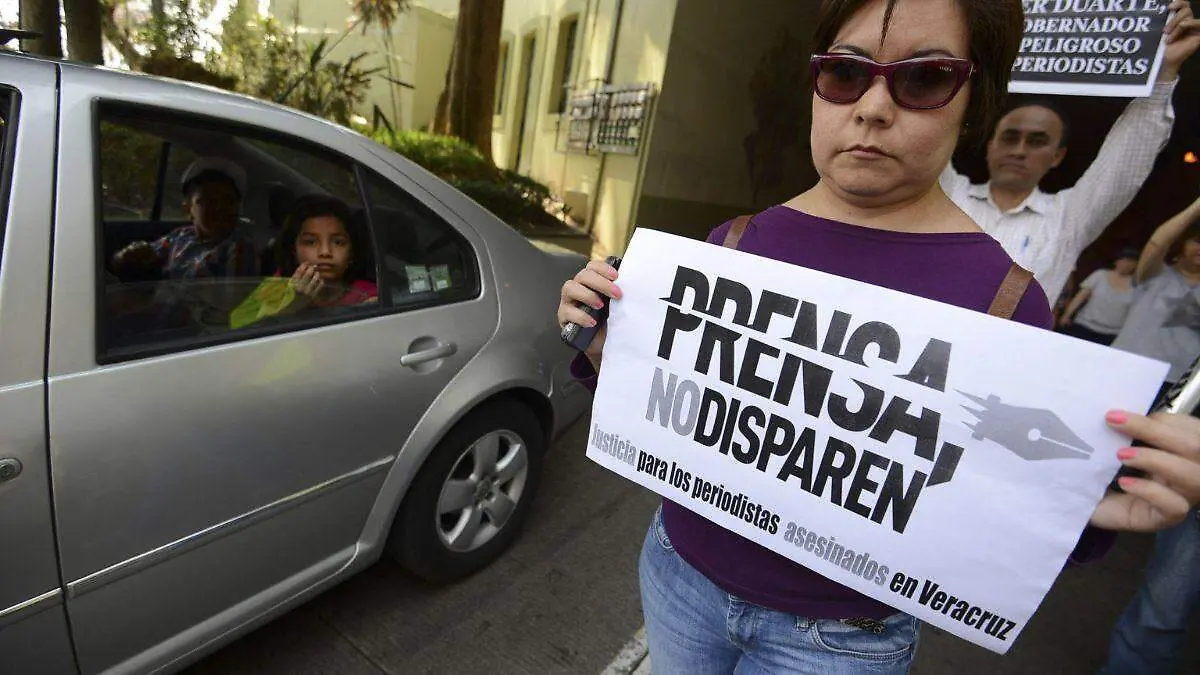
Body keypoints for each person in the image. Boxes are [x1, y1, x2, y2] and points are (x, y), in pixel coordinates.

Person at [556, 1, 1200, 673]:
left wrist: (1088, 505)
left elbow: (1008, 503)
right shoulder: (736, 242)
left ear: (971, 102)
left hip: (840, 638)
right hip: (678, 573)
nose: (872, 108)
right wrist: (604, 350)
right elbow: (676, 409)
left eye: (924, 79)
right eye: (845, 72)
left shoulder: (1005, 300)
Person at [939, 0, 1200, 306]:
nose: (1020, 150)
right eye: (1010, 137)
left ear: (1057, 156)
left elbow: (1124, 163)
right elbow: (931, 125)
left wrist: (1162, 74)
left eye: (1037, 141)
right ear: (990, 145)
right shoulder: (948, 195)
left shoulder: (1067, 218)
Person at [1102, 194, 1200, 675]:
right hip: (1126, 381)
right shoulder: (1155, 274)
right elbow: (1159, 241)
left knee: (1144, 477)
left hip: (1175, 398)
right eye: (1195, 241)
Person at [230, 195, 376, 329]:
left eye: (338, 242)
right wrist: (293, 304)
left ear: (351, 252)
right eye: (310, 242)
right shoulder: (277, 285)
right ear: (294, 250)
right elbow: (237, 325)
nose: (325, 252)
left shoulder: (367, 297)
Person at [111, 157, 261, 281]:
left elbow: (232, 302)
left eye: (229, 201)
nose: (220, 207)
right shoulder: (180, 236)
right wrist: (126, 256)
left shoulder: (238, 248)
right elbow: (141, 256)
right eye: (209, 201)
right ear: (188, 210)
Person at [1057, 249, 1140, 346]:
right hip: (1084, 326)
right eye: (1124, 260)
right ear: (1116, 261)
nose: (1126, 264)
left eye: (1131, 261)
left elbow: (1135, 313)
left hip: (1111, 334)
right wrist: (1066, 315)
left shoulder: (1137, 286)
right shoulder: (1100, 275)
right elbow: (1080, 297)